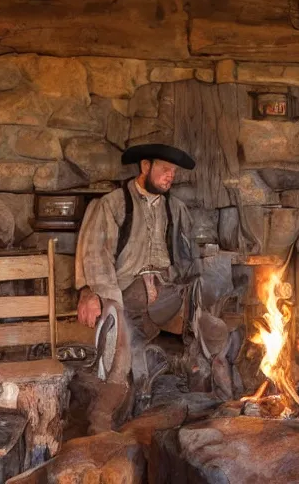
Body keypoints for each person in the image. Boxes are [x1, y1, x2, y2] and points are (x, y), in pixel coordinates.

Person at [74, 143, 197, 427]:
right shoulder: (114, 204)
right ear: (145, 167)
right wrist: (98, 296)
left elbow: (187, 257)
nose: (171, 176)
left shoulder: (175, 209)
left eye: (174, 172)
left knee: (204, 311)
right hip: (126, 291)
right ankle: (105, 414)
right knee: (122, 342)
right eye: (165, 169)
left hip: (164, 292)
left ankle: (192, 390)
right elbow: (96, 256)